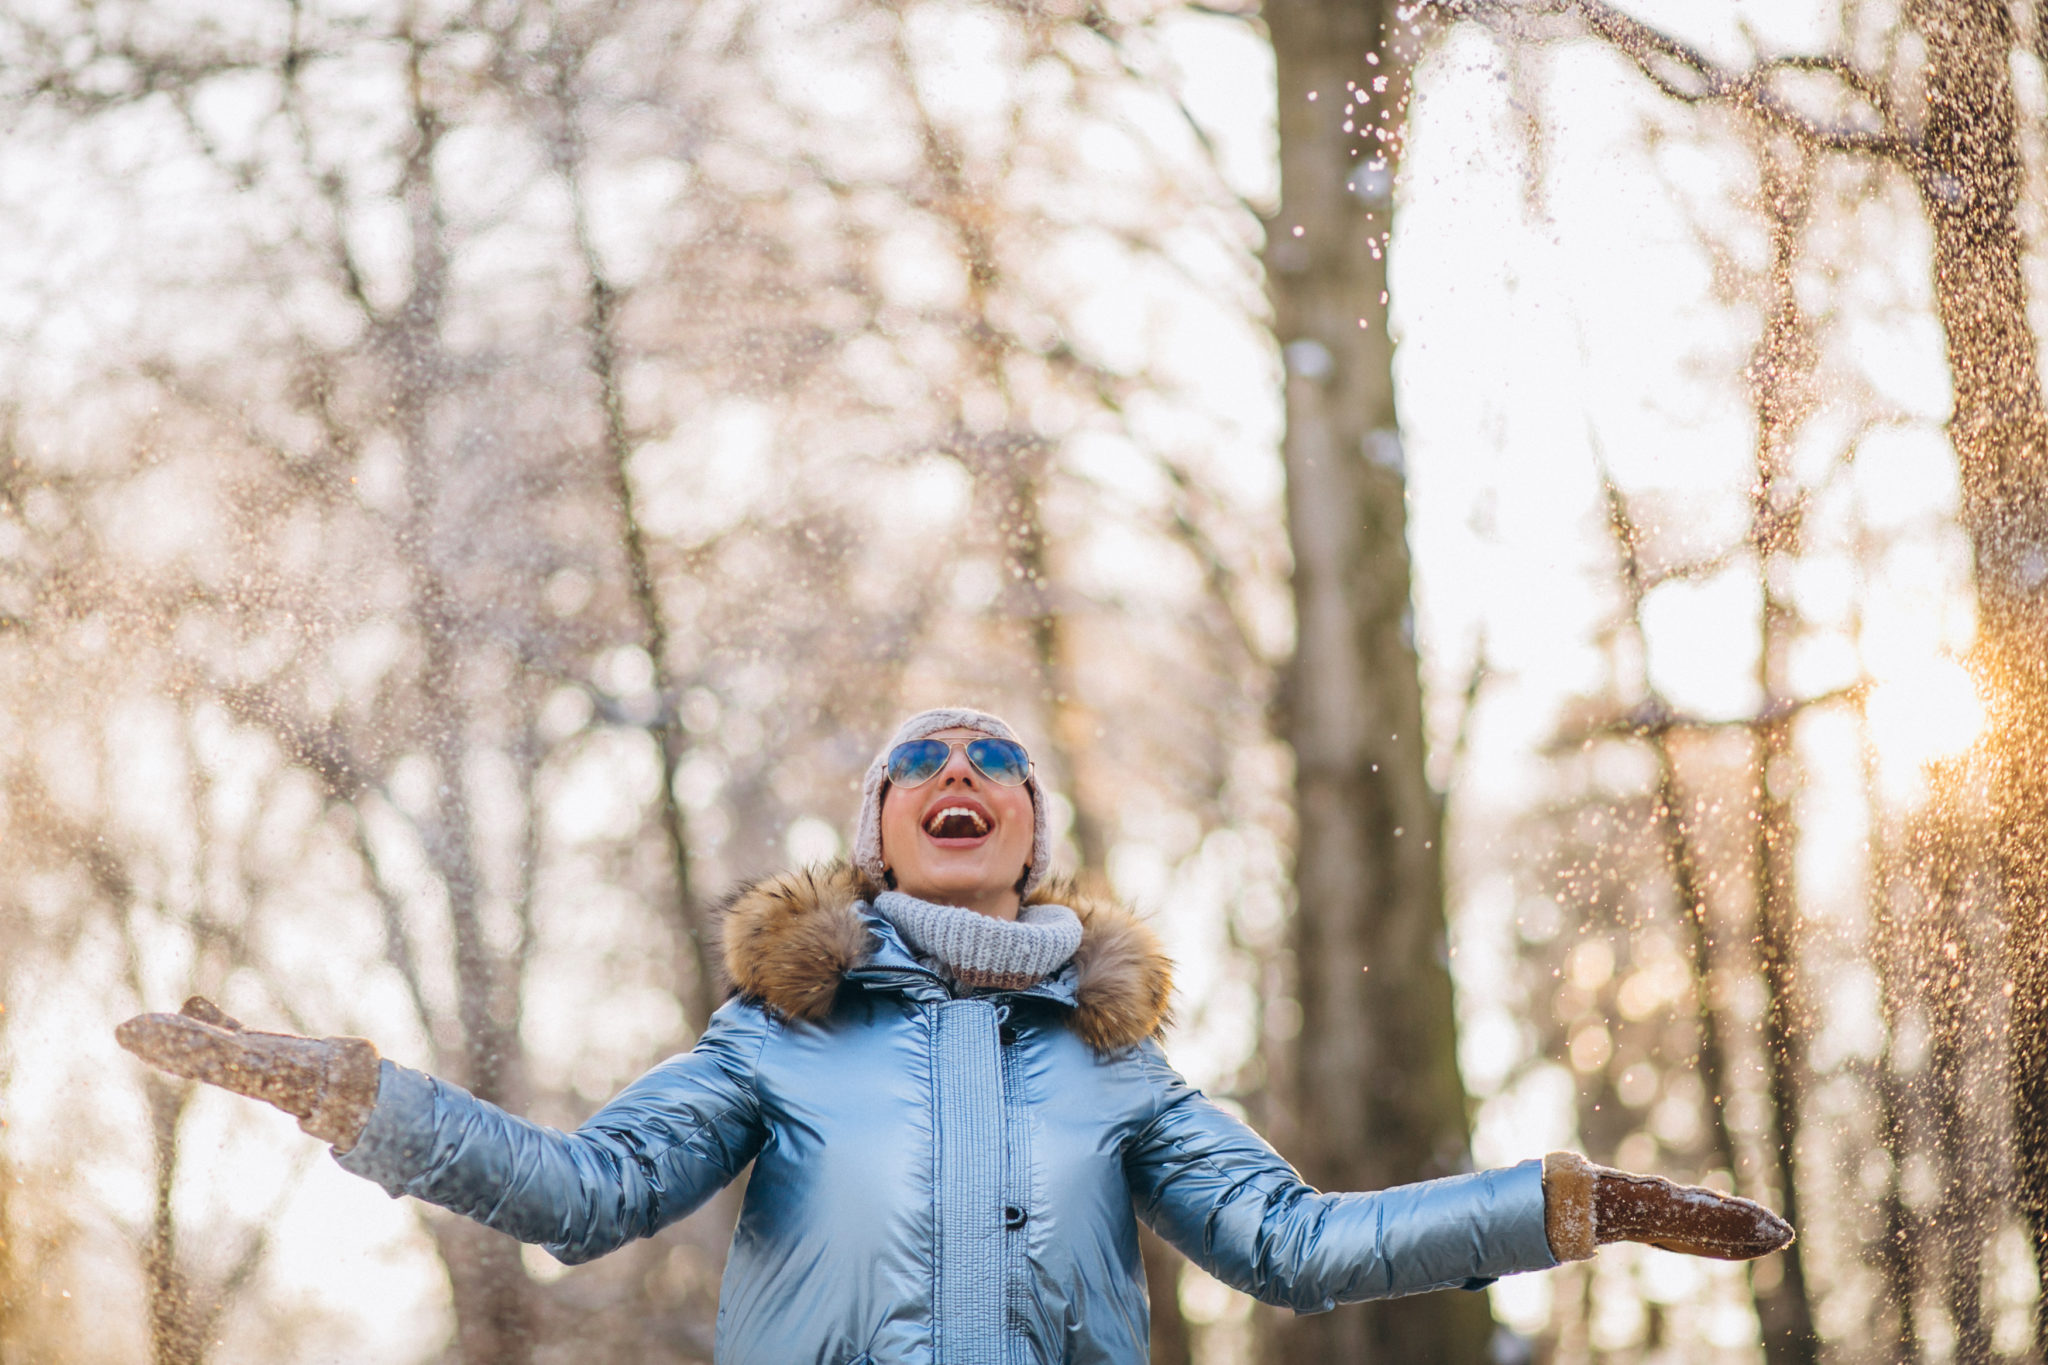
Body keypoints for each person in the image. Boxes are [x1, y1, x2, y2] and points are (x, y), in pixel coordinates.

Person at [118, 706, 1792, 1365]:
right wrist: (352, 1095)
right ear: (877, 832)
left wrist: (1574, 1207)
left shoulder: (1117, 1063)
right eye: (920, 757)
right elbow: (579, 1192)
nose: (959, 766)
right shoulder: (777, 1037)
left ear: (1032, 832)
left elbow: (1293, 1244)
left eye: (996, 754)